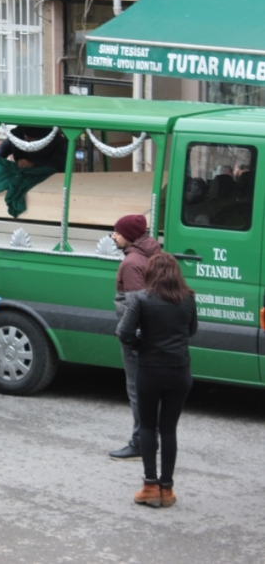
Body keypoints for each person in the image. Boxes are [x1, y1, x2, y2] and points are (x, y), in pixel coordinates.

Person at [116, 253, 197, 508]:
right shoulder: (188, 299)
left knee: (148, 427)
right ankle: (167, 489)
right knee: (169, 429)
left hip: (149, 369)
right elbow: (192, 330)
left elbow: (123, 332)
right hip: (179, 370)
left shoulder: (142, 298)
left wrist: (141, 343)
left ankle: (149, 486)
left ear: (151, 273)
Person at [109, 214, 162, 460]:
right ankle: (153, 436)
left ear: (129, 235)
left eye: (117, 232)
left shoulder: (131, 263)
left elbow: (134, 306)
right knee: (151, 389)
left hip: (137, 337)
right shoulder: (155, 253)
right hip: (155, 332)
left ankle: (141, 441)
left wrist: (130, 337)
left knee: (137, 389)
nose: (113, 236)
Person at [0, 126, 68, 173]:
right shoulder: (17, 135)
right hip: (19, 175)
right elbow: (2, 151)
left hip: (45, 179)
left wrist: (33, 164)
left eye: (31, 139)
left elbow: (60, 165)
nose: (26, 140)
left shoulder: (57, 142)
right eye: (25, 137)